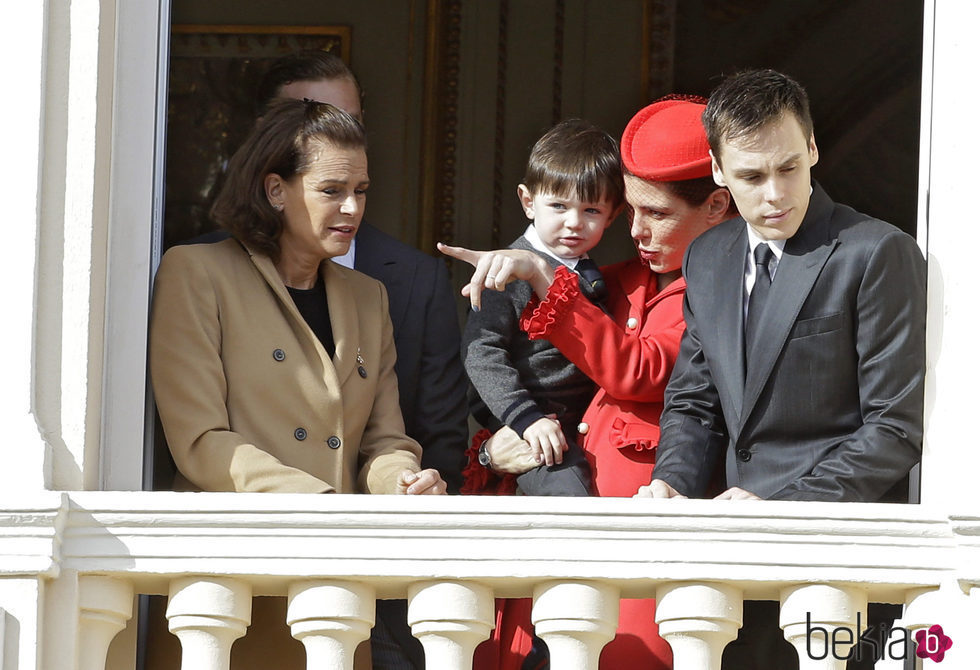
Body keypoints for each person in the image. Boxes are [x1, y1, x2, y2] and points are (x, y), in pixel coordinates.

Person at [635, 69, 927, 668]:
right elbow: (694, 401)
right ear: (717, 170)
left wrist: (780, 510)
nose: (775, 194)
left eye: (789, 167)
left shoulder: (877, 252)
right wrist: (673, 483)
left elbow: (895, 428)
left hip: (841, 563)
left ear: (813, 149)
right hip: (731, 568)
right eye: (751, 175)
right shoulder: (708, 255)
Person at [148, 99, 446, 669]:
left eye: (361, 189)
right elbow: (200, 441)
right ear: (275, 190)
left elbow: (383, 441)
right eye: (331, 190)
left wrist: (403, 481)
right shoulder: (197, 272)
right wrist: (320, 505)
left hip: (335, 598)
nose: (352, 207)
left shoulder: (368, 297)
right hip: (233, 590)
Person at [442, 96, 733, 669]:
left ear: (718, 207)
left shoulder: (722, 294)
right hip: (549, 497)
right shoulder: (613, 279)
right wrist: (506, 438)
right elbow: (495, 359)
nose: (638, 231)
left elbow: (640, 368)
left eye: (658, 213)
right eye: (633, 211)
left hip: (635, 534)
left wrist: (542, 274)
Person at [255, 50, 470, 496]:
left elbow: (429, 439)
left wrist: (411, 490)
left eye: (348, 123)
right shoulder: (200, 267)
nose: (336, 140)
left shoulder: (407, 282)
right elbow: (193, 437)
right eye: (312, 122)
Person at [461, 118, 625, 497]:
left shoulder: (593, 272)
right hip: (533, 425)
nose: (573, 223)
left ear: (613, 215)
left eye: (591, 211)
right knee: (570, 503)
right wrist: (526, 418)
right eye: (558, 205)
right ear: (528, 201)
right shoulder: (508, 269)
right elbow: (482, 354)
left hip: (586, 424)